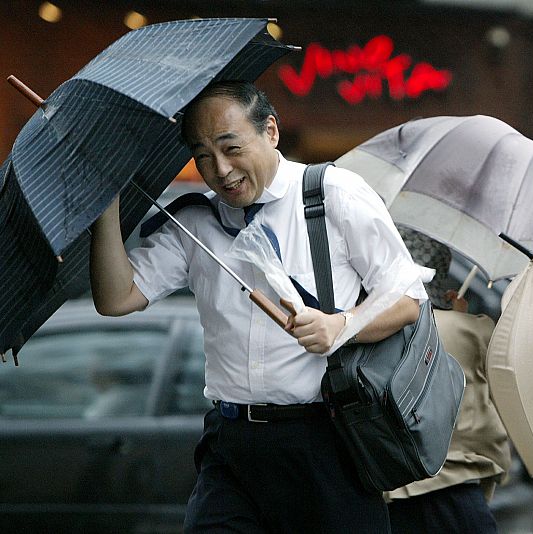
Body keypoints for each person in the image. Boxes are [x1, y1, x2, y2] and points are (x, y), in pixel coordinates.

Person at [89, 81, 426, 533]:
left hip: (325, 441)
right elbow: (116, 298)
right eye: (203, 155)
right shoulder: (194, 222)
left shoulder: (333, 194)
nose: (220, 169)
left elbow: (408, 298)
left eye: (231, 147)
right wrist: (104, 203)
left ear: (270, 131)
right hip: (231, 443)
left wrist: (341, 325)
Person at [385, 228, 511, 534]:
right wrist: (461, 316)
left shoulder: (376, 331)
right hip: (457, 486)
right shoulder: (471, 330)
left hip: (394, 493)